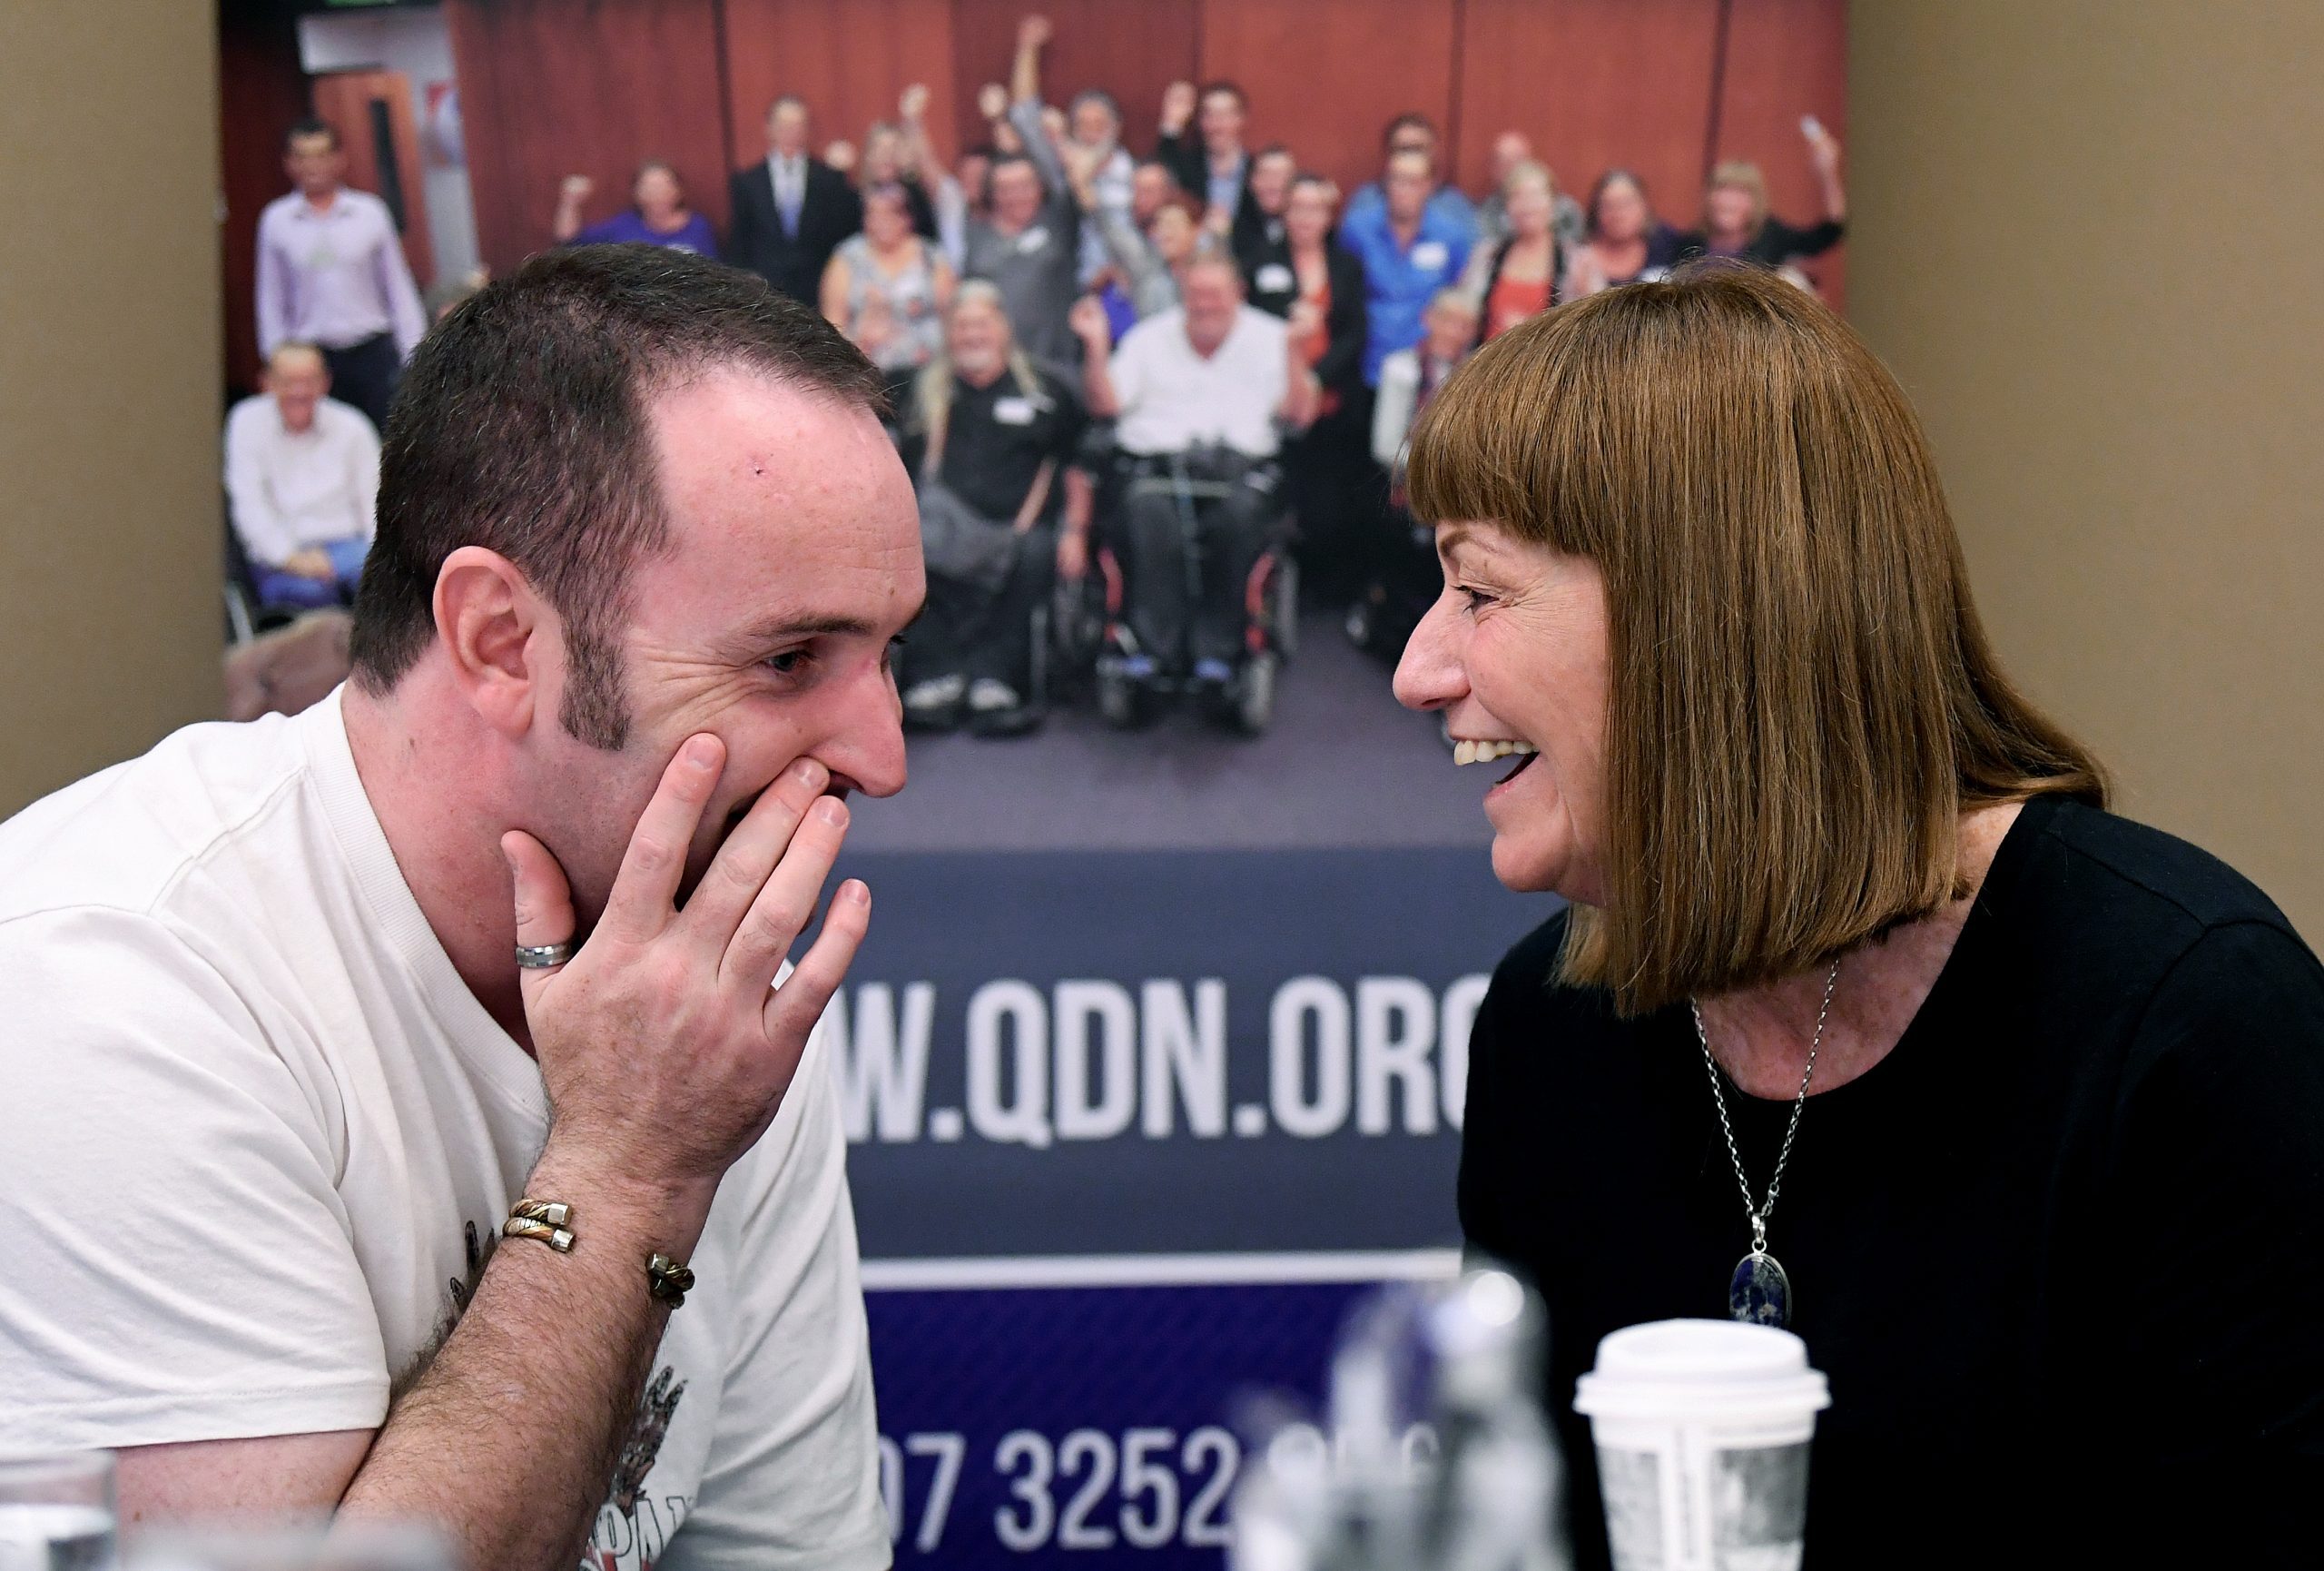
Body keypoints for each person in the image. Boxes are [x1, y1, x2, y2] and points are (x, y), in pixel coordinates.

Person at [0, 245, 919, 1571]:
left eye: (892, 655)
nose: (882, 757)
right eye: (789, 659)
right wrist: (628, 1167)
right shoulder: (109, 982)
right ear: (499, 639)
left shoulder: (703, 974)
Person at [1393, 264, 2324, 1567]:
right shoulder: (1550, 1031)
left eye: (1478, 593)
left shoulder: (2193, 1022)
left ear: (1704, 618)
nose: (1416, 670)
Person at [1071, 253, 1318, 689]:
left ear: (1238, 294)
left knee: (1238, 520)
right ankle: (1152, 646)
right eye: (1196, 294)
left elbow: (1300, 416)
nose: (1205, 305)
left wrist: (1296, 352)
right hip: (1158, 468)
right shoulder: (1148, 338)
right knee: (1148, 516)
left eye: (1215, 294)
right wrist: (1095, 347)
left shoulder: (1274, 336)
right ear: (1182, 294)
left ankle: (1217, 650)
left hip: (1239, 471)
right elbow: (1104, 404)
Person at [894, 283, 1091, 735]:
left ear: (1004, 329)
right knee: (911, 549)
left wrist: (1077, 531)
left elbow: (1079, 467)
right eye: (961, 326)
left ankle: (999, 679)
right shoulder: (921, 392)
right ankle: (932, 675)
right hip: (939, 527)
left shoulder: (1048, 393)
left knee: (1038, 554)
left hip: (1021, 530)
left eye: (981, 324)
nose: (971, 335)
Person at [256, 118, 428, 436]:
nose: (313, 165)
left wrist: (415, 355)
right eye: (303, 156)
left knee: (390, 442)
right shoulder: (277, 220)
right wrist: (278, 365)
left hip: (372, 353)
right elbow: (270, 297)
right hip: (313, 358)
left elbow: (398, 288)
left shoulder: (370, 213)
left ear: (338, 159)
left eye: (321, 155)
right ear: (289, 163)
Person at [225, 341, 379, 609]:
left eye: (309, 381)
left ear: (325, 383)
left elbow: (375, 502)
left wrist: (368, 559)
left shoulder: (353, 426)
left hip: (349, 549)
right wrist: (293, 559)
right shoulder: (246, 422)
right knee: (307, 594)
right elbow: (250, 507)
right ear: (267, 383)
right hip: (281, 555)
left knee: (382, 584)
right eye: (288, 381)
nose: (299, 391)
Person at [1275, 174, 1370, 606]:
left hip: (1335, 403)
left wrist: (1317, 376)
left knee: (1332, 504)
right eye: (1297, 207)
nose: (1305, 217)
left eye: (1315, 208)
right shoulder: (1263, 259)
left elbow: (1354, 334)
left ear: (1329, 216)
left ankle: (1329, 591)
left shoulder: (1346, 264)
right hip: (1280, 401)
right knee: (1288, 496)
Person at [1009, 14, 1133, 286]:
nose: (1090, 136)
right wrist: (1027, 49)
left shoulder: (1136, 175)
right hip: (1073, 289)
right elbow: (1024, 115)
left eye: (1099, 126)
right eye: (1083, 126)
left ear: (1116, 129)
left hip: (1127, 289)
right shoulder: (1060, 168)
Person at [1339, 146, 1472, 387]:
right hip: (1363, 364)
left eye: (1413, 182)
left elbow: (1456, 298)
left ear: (1430, 186)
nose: (1402, 190)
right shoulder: (1357, 230)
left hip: (1424, 372)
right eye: (1396, 179)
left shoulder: (1452, 237)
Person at [821, 182, 955, 395]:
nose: (880, 222)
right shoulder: (847, 258)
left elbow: (950, 318)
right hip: (865, 371)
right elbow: (833, 322)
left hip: (926, 373)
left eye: (890, 214)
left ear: (908, 217)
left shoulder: (932, 258)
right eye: (873, 214)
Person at [725, 95, 862, 304]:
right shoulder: (747, 182)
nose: (790, 132)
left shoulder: (828, 178)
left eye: (798, 125)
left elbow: (845, 230)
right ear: (768, 127)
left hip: (818, 288)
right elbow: (740, 240)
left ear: (808, 129)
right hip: (765, 290)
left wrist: (842, 177)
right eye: (783, 125)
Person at [963, 132, 1083, 368]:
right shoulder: (975, 233)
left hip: (1057, 363)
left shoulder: (1058, 222)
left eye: (1024, 186)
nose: (1016, 196)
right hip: (999, 367)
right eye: (1005, 188)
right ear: (992, 193)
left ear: (1040, 187)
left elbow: (1072, 173)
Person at [1676, 119, 1847, 273]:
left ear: (1756, 201)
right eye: (1722, 189)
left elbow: (1829, 232)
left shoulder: (1772, 237)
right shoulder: (1689, 244)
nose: (1729, 200)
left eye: (1741, 192)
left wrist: (1828, 174)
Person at [1460, 160, 1572, 342]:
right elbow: (1464, 316)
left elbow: (1589, 330)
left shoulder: (1577, 262)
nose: (1527, 205)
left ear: (1553, 202)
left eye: (1535, 195)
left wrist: (1527, 331)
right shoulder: (1487, 255)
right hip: (1488, 362)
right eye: (1517, 196)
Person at [1156, 79, 1263, 254]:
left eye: (1225, 116)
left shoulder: (1257, 171)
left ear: (1241, 119)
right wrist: (1172, 124)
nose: (1217, 125)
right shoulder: (1188, 165)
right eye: (1209, 116)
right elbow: (1163, 173)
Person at [1342, 114, 1480, 242]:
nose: (1411, 156)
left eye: (1418, 149)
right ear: (1388, 154)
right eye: (1403, 149)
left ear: (1434, 153)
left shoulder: (1454, 205)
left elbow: (1471, 257)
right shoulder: (1366, 201)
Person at [551, 162, 718, 254]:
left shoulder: (698, 226)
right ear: (636, 193)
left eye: (663, 187)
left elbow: (716, 275)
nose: (656, 195)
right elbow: (568, 239)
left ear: (678, 191)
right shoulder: (622, 226)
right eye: (648, 189)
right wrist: (570, 201)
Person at [1565, 168, 1683, 295]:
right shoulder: (1578, 258)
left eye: (1626, 204)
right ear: (1596, 211)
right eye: (1609, 206)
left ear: (1645, 207)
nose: (1618, 215)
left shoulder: (1668, 246)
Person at [1473, 131, 1584, 251]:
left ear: (1531, 161)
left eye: (1516, 159)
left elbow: (1573, 250)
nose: (1510, 167)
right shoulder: (1487, 212)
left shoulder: (1566, 211)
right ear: (1493, 168)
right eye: (1501, 161)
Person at [1234, 146, 1301, 316]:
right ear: (1252, 181)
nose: (1274, 184)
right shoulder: (1234, 232)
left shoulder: (1312, 234)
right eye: (1266, 175)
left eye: (1282, 176)